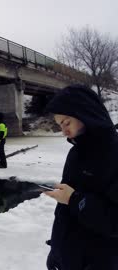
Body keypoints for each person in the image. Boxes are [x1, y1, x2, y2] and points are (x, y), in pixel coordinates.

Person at [44, 85, 118, 270]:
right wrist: (56, 248)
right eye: (60, 125)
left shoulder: (114, 154)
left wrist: (74, 199)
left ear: (85, 114)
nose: (63, 132)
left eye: (66, 123)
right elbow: (63, 210)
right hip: (69, 259)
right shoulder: (75, 154)